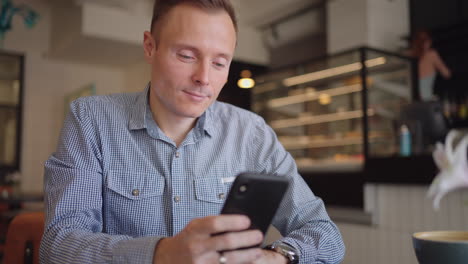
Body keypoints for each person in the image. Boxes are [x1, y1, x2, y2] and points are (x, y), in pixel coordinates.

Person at [39, 0, 345, 263]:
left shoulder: (252, 133)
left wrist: (275, 257)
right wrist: (160, 254)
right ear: (150, 47)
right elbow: (58, 245)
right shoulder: (91, 120)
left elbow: (325, 233)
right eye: (186, 56)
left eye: (219, 62)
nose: (203, 78)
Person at [410, 30, 452, 101]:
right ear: (427, 42)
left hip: (417, 99)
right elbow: (446, 73)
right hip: (427, 99)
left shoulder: (414, 56)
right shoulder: (431, 55)